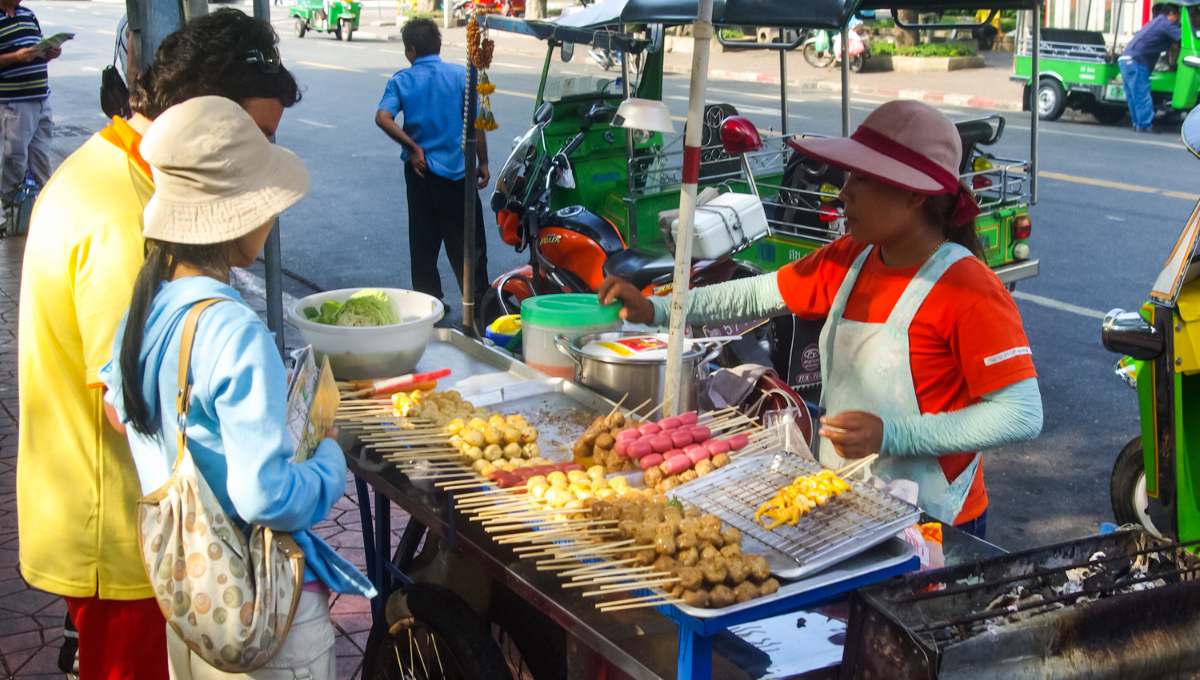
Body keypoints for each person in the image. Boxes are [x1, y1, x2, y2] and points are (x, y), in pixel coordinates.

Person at [599, 101, 1044, 537]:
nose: (843, 190)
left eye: (863, 179)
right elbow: (759, 294)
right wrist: (661, 308)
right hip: (848, 494)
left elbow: (1020, 415)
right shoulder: (853, 257)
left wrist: (893, 434)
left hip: (934, 520)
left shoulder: (966, 287)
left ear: (914, 195)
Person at [17, 9, 302, 679]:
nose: (260, 165)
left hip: (138, 532)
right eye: (255, 139)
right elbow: (138, 405)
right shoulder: (124, 215)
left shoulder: (132, 176)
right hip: (125, 544)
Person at [101, 95, 375, 678]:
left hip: (194, 605)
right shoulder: (234, 330)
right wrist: (329, 455)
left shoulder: (148, 302)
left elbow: (115, 407)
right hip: (265, 615)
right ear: (239, 213)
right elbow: (265, 496)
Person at [375, 18, 490, 313]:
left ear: (411, 50)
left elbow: (383, 117)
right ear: (438, 45)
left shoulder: (402, 80)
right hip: (459, 173)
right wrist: (484, 162)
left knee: (424, 242)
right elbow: (477, 124)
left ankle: (431, 306)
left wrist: (413, 148)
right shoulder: (462, 76)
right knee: (468, 241)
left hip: (420, 172)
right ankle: (476, 305)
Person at [0, 0, 60, 231]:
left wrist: (49, 53)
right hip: (14, 102)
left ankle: (42, 209)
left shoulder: (28, 14)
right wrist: (16, 57)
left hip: (40, 98)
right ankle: (11, 212)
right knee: (14, 159)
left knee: (41, 158)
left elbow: (38, 52)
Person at [1119, 3, 1182, 132]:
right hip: (1136, 61)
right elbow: (1184, 37)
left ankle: (1138, 123)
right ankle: (1145, 125)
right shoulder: (1166, 24)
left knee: (1134, 95)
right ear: (1171, 14)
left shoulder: (1157, 22)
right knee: (1142, 93)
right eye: (1178, 15)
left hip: (1126, 60)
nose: (1179, 19)